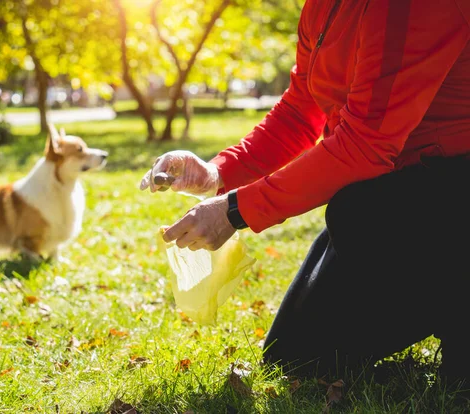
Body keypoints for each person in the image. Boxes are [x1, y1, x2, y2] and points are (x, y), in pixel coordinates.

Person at [139, 0, 470, 382]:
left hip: (448, 189)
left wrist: (234, 210)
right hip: (395, 199)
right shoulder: (321, 6)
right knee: (296, 358)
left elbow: (365, 144)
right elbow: (301, 109)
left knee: (356, 210)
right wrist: (216, 174)